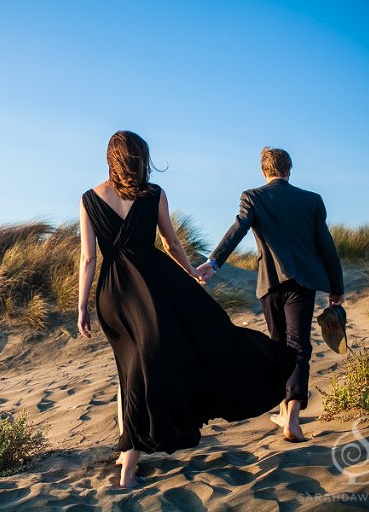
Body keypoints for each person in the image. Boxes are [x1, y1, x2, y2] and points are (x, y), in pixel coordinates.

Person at [78, 131, 296, 489]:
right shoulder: (153, 194)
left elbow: (88, 259)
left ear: (110, 158)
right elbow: (172, 243)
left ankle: (127, 448)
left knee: (130, 368)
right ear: (140, 158)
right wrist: (192, 271)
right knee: (149, 365)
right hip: (149, 287)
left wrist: (83, 306)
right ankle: (129, 465)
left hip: (111, 294)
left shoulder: (89, 199)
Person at [198, 147, 344, 443]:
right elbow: (326, 245)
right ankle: (290, 417)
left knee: (280, 345)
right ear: (289, 169)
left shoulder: (253, 197)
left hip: (270, 284)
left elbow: (238, 229)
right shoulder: (312, 200)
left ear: (264, 171)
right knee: (298, 346)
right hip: (302, 283)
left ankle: (285, 412)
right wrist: (336, 287)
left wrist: (214, 262)